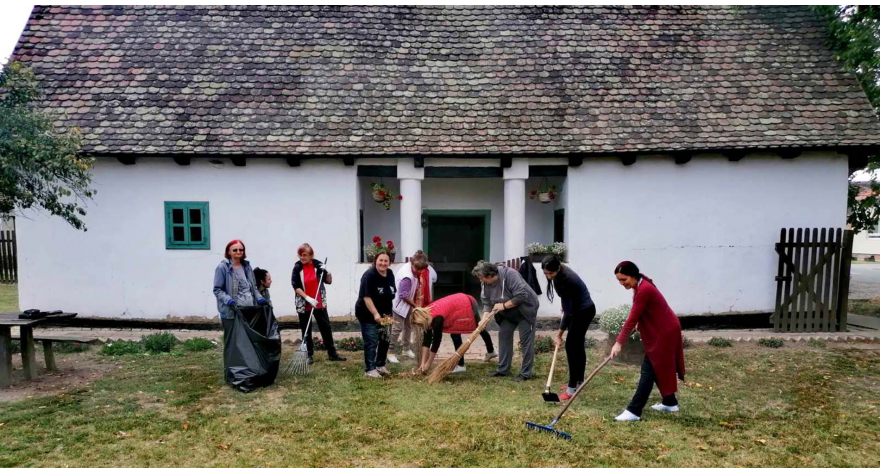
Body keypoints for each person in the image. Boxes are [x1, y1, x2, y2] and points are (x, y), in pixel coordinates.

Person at [610, 261, 686, 422]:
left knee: (648, 370)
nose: (622, 283)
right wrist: (641, 323)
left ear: (633, 275)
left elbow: (631, 318)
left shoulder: (644, 289)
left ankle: (634, 411)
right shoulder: (641, 284)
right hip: (663, 328)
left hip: (665, 332)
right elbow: (648, 309)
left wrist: (618, 343)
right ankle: (670, 402)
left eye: (624, 279)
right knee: (656, 366)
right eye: (619, 280)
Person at [472, 260, 540, 381]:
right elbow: (487, 303)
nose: (480, 281)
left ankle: (525, 373)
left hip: (525, 310)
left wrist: (502, 306)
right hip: (508, 313)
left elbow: (521, 295)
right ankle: (502, 370)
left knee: (526, 341)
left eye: (482, 278)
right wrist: (484, 319)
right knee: (504, 335)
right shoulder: (485, 283)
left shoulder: (510, 275)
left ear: (491, 275)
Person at [542, 255, 596, 401]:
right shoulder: (559, 275)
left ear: (558, 268)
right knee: (577, 345)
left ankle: (572, 389)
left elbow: (569, 312)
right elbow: (567, 306)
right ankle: (579, 381)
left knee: (572, 346)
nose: (548, 276)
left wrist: (559, 334)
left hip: (583, 312)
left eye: (551, 273)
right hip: (578, 309)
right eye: (546, 273)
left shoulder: (567, 280)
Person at [410, 292, 496, 374]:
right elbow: (427, 341)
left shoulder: (437, 319)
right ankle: (491, 351)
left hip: (466, 304)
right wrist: (423, 363)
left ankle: (461, 365)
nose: (421, 327)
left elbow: (436, 342)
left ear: (423, 319)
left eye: (420, 325)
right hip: (457, 304)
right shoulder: (426, 315)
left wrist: (428, 364)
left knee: (469, 329)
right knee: (477, 327)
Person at [291, 243, 346, 364]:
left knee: (325, 327)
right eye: (300, 255)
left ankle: (332, 354)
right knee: (306, 329)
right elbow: (296, 286)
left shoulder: (318, 265)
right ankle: (308, 355)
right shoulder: (297, 267)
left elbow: (328, 281)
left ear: (311, 255)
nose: (302, 257)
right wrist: (308, 298)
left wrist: (329, 272)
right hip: (304, 302)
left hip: (319, 302)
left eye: (305, 255)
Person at [355, 250, 397, 378]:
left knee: (385, 339)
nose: (383, 263)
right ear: (375, 261)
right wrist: (375, 314)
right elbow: (366, 297)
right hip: (368, 313)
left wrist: (389, 314)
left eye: (386, 261)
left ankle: (380, 365)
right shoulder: (369, 275)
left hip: (386, 314)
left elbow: (391, 293)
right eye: (381, 260)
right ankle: (370, 369)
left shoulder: (390, 274)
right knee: (372, 340)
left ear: (389, 262)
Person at [212, 240, 267, 335]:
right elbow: (217, 290)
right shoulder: (222, 267)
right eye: (235, 250)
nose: (238, 252)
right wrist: (229, 300)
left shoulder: (247, 266)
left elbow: (253, 287)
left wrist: (260, 298)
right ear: (228, 252)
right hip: (231, 312)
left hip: (249, 310)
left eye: (241, 250)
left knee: (246, 339)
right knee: (233, 339)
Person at [389, 250, 430, 363]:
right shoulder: (407, 276)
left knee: (408, 326)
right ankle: (390, 351)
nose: (418, 271)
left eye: (420, 270)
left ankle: (406, 349)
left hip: (407, 304)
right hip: (399, 305)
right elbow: (403, 295)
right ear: (412, 264)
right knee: (397, 328)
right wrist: (416, 305)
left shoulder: (413, 269)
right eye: (417, 269)